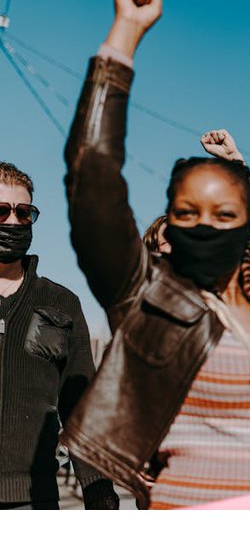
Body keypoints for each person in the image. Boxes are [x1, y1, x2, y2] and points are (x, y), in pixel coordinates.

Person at [61, 0, 250, 510]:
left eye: (224, 214)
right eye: (187, 213)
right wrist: (125, 35)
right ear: (168, 224)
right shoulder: (147, 302)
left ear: (247, 226)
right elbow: (93, 179)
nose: (205, 226)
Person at [0, 162, 119, 510]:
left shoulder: (61, 303)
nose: (12, 222)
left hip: (34, 503)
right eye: (1, 211)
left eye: (23, 213)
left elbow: (82, 409)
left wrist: (101, 495)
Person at [143, 129, 250, 281]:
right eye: (168, 240)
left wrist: (236, 163)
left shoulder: (229, 281)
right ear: (154, 254)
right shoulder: (150, 298)